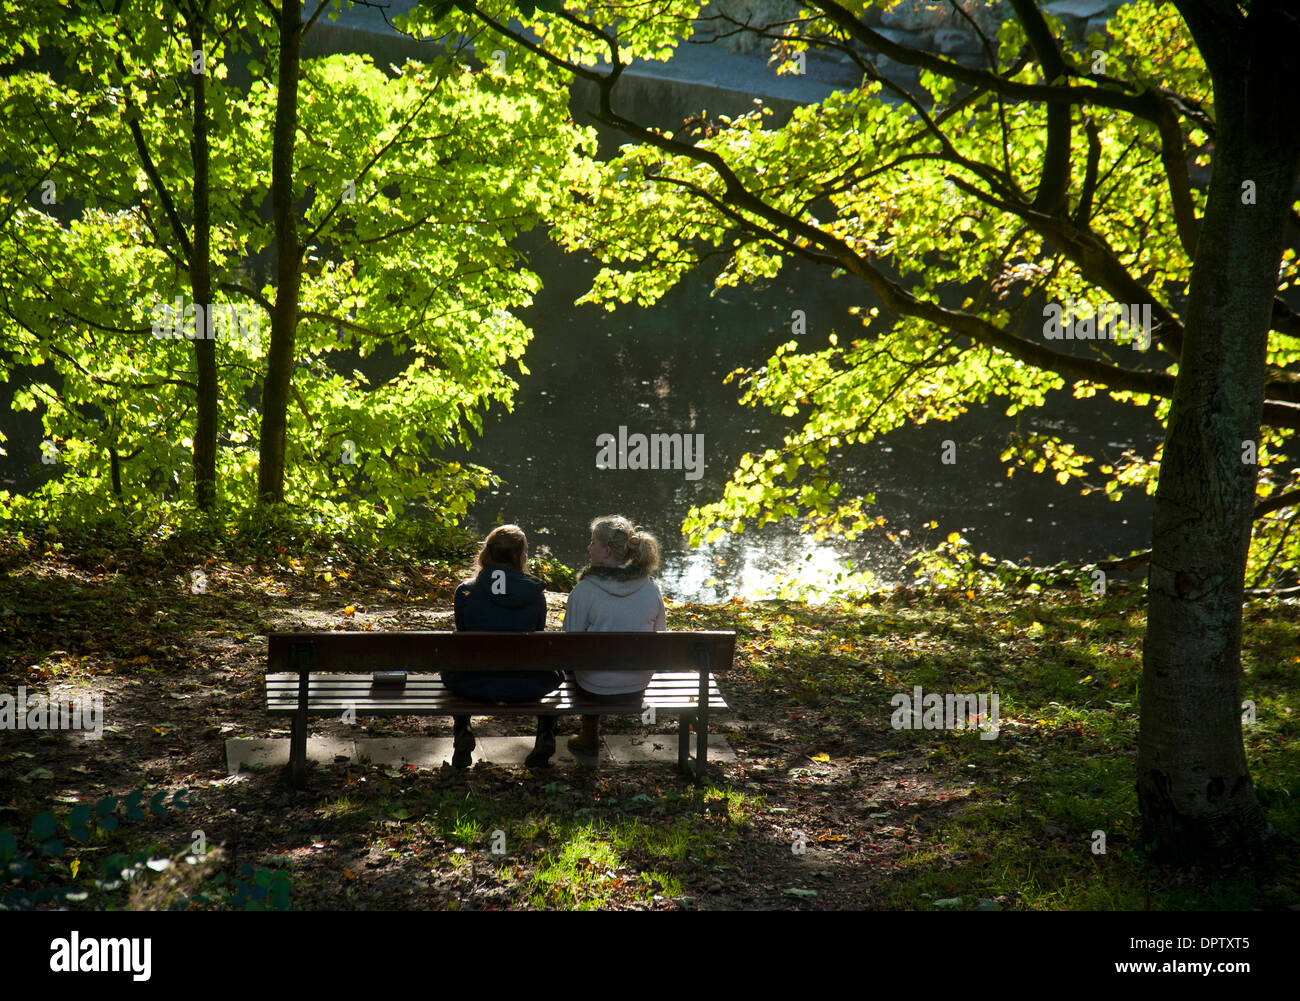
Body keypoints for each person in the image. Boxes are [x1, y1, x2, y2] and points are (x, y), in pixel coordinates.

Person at [441, 525, 562, 768]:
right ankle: (545, 734)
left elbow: (463, 633)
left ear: (487, 553)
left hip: (472, 682)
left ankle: (462, 731)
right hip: (527, 683)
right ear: (521, 555)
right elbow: (538, 634)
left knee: (458, 659)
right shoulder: (535, 594)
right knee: (554, 668)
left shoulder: (465, 591)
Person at [563, 515, 665, 757]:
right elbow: (660, 635)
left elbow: (569, 642)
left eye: (592, 542)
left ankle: (590, 735)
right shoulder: (651, 588)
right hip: (637, 684)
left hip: (593, 687)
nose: (588, 547)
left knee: (583, 664)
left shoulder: (584, 590)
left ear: (607, 551)